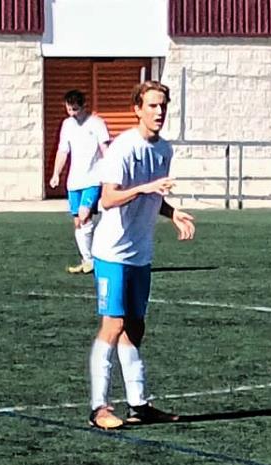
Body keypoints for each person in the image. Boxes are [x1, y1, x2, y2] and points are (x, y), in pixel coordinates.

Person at [86, 81, 196, 430]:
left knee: (135, 326)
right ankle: (98, 407)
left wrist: (172, 212)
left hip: (140, 254)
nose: (159, 112)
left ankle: (139, 404)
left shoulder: (164, 149)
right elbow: (108, 199)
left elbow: (154, 196)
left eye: (163, 105)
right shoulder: (123, 148)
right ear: (137, 109)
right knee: (113, 324)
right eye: (152, 106)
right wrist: (145, 188)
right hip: (112, 252)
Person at [49, 89, 111, 274]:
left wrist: (112, 173)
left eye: (75, 109)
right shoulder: (67, 125)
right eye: (69, 109)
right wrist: (56, 174)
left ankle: (95, 259)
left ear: (84, 106)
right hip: (74, 181)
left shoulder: (97, 124)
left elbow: (105, 148)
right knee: (78, 222)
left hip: (93, 178)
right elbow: (63, 151)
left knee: (85, 215)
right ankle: (88, 260)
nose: (72, 113)